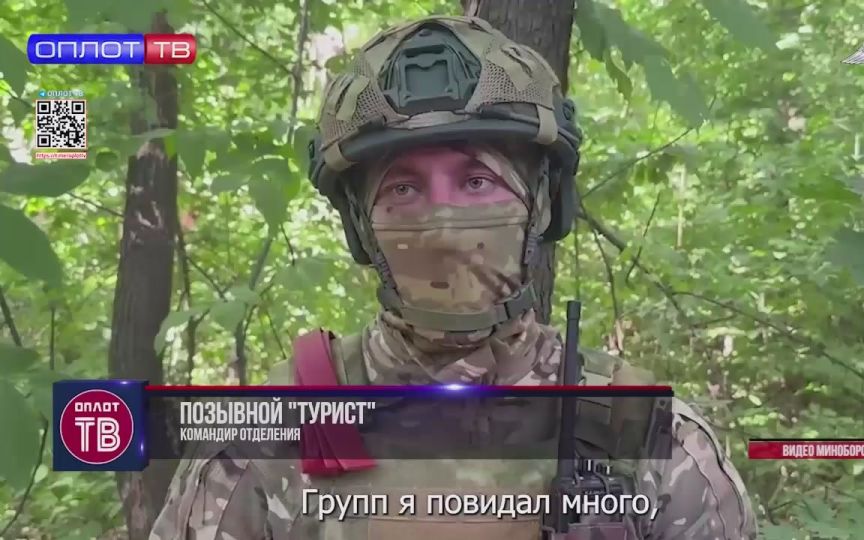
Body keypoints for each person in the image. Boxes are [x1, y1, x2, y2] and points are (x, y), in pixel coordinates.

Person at [149, 15, 757, 540]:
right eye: (403, 189)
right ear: (360, 226)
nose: (442, 226)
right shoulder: (264, 442)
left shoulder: (647, 438)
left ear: (541, 205)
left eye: (477, 181)